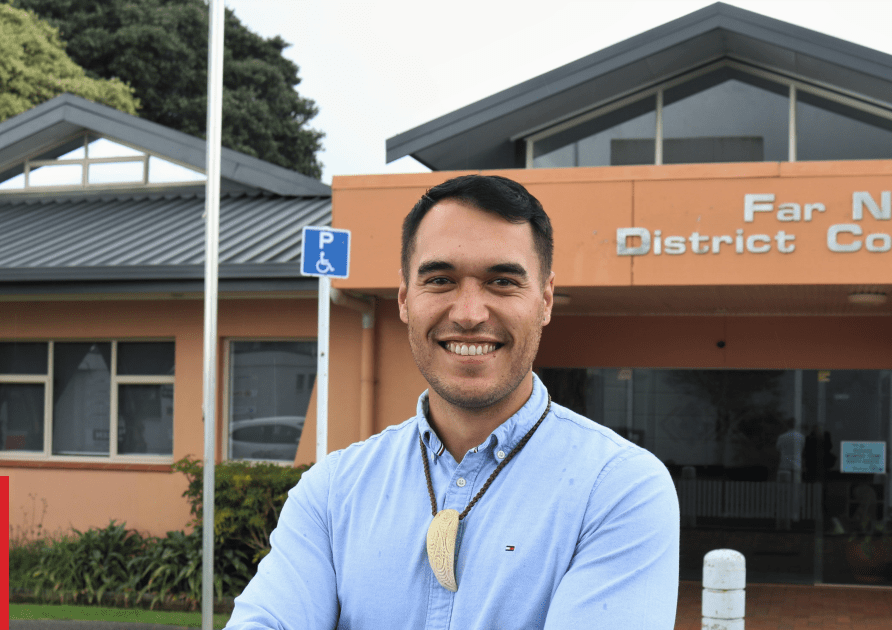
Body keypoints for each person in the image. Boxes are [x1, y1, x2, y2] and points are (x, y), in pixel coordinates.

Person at [226, 174, 679, 629]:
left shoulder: (618, 489)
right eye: (440, 280)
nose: (468, 315)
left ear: (545, 300)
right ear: (405, 299)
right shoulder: (332, 493)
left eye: (502, 281)